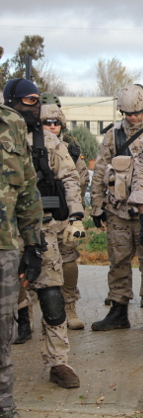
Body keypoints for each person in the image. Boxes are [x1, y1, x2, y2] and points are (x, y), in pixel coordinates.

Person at [4, 78, 84, 389]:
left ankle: (58, 361)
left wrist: (76, 217)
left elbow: (70, 180)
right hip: (5, 232)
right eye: (28, 101)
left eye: (38, 100)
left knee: (52, 296)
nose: (35, 106)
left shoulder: (50, 143)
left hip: (43, 230)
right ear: (11, 102)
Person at [90, 85, 143, 332]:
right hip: (118, 211)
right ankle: (118, 310)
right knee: (118, 262)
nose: (133, 117)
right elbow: (100, 170)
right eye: (128, 113)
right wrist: (96, 207)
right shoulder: (113, 135)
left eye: (138, 113)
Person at [0, 76, 44, 418]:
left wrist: (32, 245)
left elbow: (27, 187)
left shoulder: (11, 124)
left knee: (2, 338)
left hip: (4, 248)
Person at [39, 93, 90, 330]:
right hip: (37, 216)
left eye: (55, 123)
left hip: (63, 215)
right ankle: (25, 315)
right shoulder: (30, 145)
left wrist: (74, 214)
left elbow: (80, 179)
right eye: (46, 122)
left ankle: (70, 307)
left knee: (69, 262)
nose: (51, 126)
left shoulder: (70, 149)